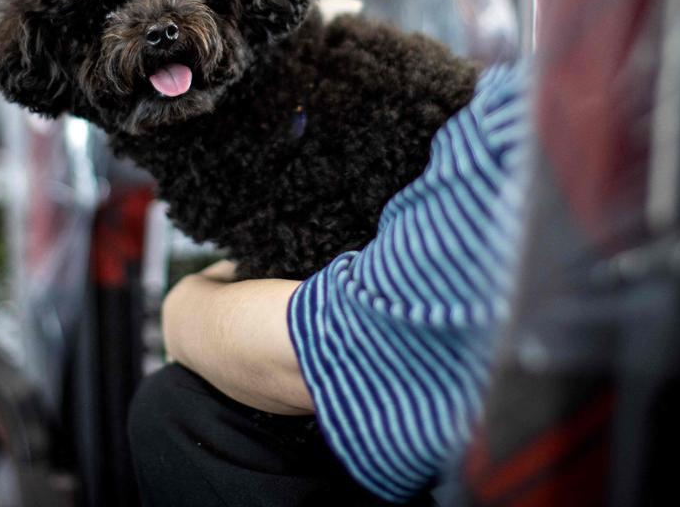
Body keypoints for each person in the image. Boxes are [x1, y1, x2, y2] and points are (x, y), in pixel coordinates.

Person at [128, 63, 528, 506]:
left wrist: (181, 311)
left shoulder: (532, 117)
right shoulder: (543, 103)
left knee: (175, 407)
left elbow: (351, 351)